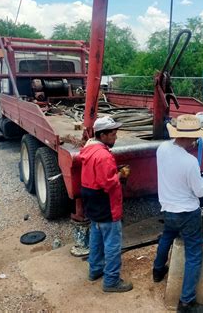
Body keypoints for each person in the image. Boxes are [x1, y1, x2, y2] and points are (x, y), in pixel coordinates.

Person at [153, 114, 203, 313]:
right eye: (195, 138)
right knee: (194, 254)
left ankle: (158, 270)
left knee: (167, 237)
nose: (196, 142)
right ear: (190, 138)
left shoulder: (162, 149)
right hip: (187, 213)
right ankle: (186, 302)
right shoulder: (189, 162)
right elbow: (200, 192)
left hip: (168, 208)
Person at [79, 116, 133, 293]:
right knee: (112, 244)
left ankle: (95, 270)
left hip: (92, 203)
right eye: (112, 134)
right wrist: (121, 175)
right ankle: (111, 281)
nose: (115, 137)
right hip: (106, 205)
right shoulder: (104, 156)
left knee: (96, 237)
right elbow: (108, 183)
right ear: (102, 135)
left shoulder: (89, 150)